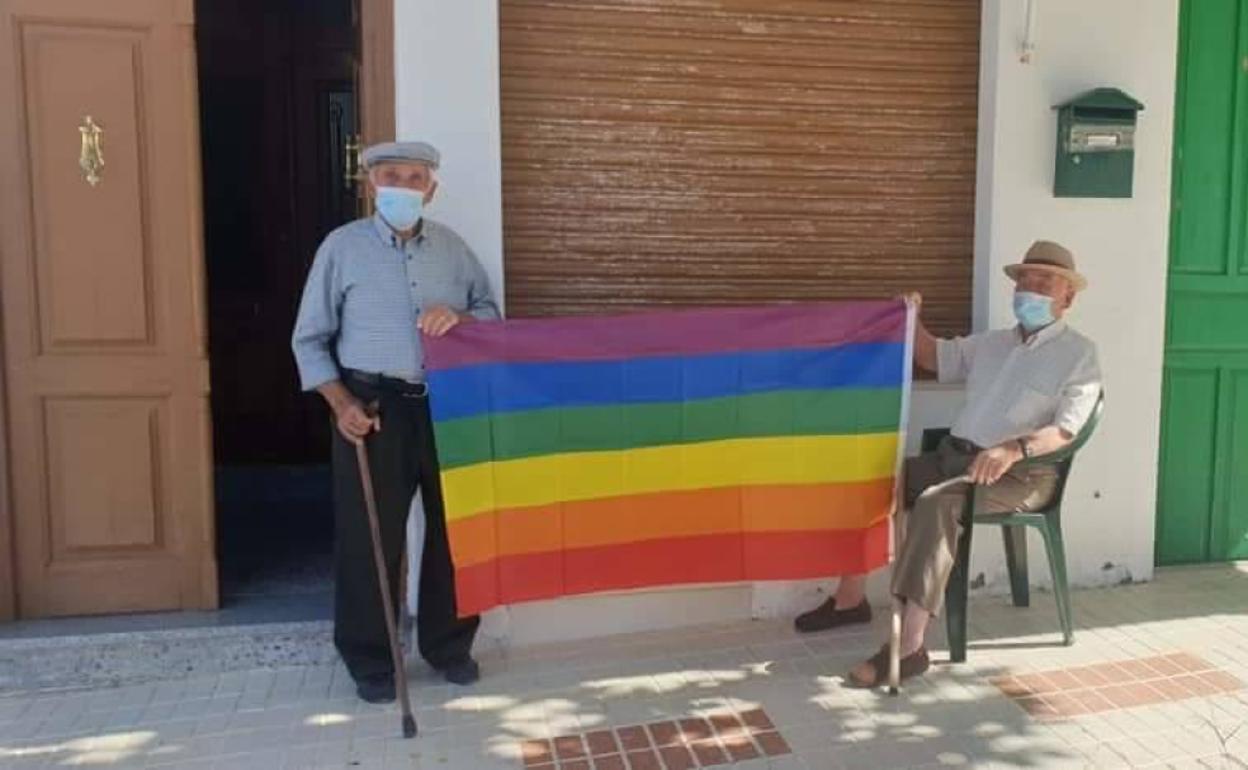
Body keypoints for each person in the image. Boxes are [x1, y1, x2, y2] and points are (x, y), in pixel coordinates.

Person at [797, 240, 1102, 687]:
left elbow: (1066, 431)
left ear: (1067, 297)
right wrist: (910, 316)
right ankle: (850, 599)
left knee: (937, 505)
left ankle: (910, 647)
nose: (1029, 289)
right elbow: (931, 356)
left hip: (1021, 475)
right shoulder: (993, 344)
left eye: (1043, 281)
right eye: (1024, 280)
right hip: (956, 458)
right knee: (875, 483)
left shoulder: (1079, 354)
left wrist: (1013, 448)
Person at [291, 140, 500, 703]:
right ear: (370, 185)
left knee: (456, 529)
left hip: (445, 403)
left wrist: (458, 316)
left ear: (430, 190)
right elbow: (309, 339)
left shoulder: (453, 251)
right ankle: (371, 660)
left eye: (414, 178)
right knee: (369, 536)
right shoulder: (341, 249)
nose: (402, 187)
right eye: (391, 176)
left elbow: (490, 314)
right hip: (371, 407)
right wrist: (342, 406)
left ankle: (449, 647)